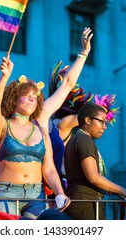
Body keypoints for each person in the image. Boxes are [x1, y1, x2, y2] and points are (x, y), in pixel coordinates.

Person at [0, 55, 70, 219]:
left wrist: (60, 193)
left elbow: (49, 168)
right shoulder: (2, 126)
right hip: (5, 193)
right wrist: (5, 76)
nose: (33, 98)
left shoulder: (42, 131)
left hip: (36, 195)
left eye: (35, 95)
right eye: (26, 94)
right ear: (13, 98)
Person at [63, 100, 126, 220]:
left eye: (106, 123)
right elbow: (93, 177)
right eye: (101, 122)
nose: (104, 127)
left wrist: (114, 191)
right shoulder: (84, 139)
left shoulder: (76, 138)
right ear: (87, 120)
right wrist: (124, 190)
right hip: (86, 204)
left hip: (80, 202)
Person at [36, 27, 93, 178]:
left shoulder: (44, 116)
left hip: (51, 188)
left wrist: (84, 53)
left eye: (35, 95)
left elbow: (67, 83)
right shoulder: (58, 122)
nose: (33, 99)